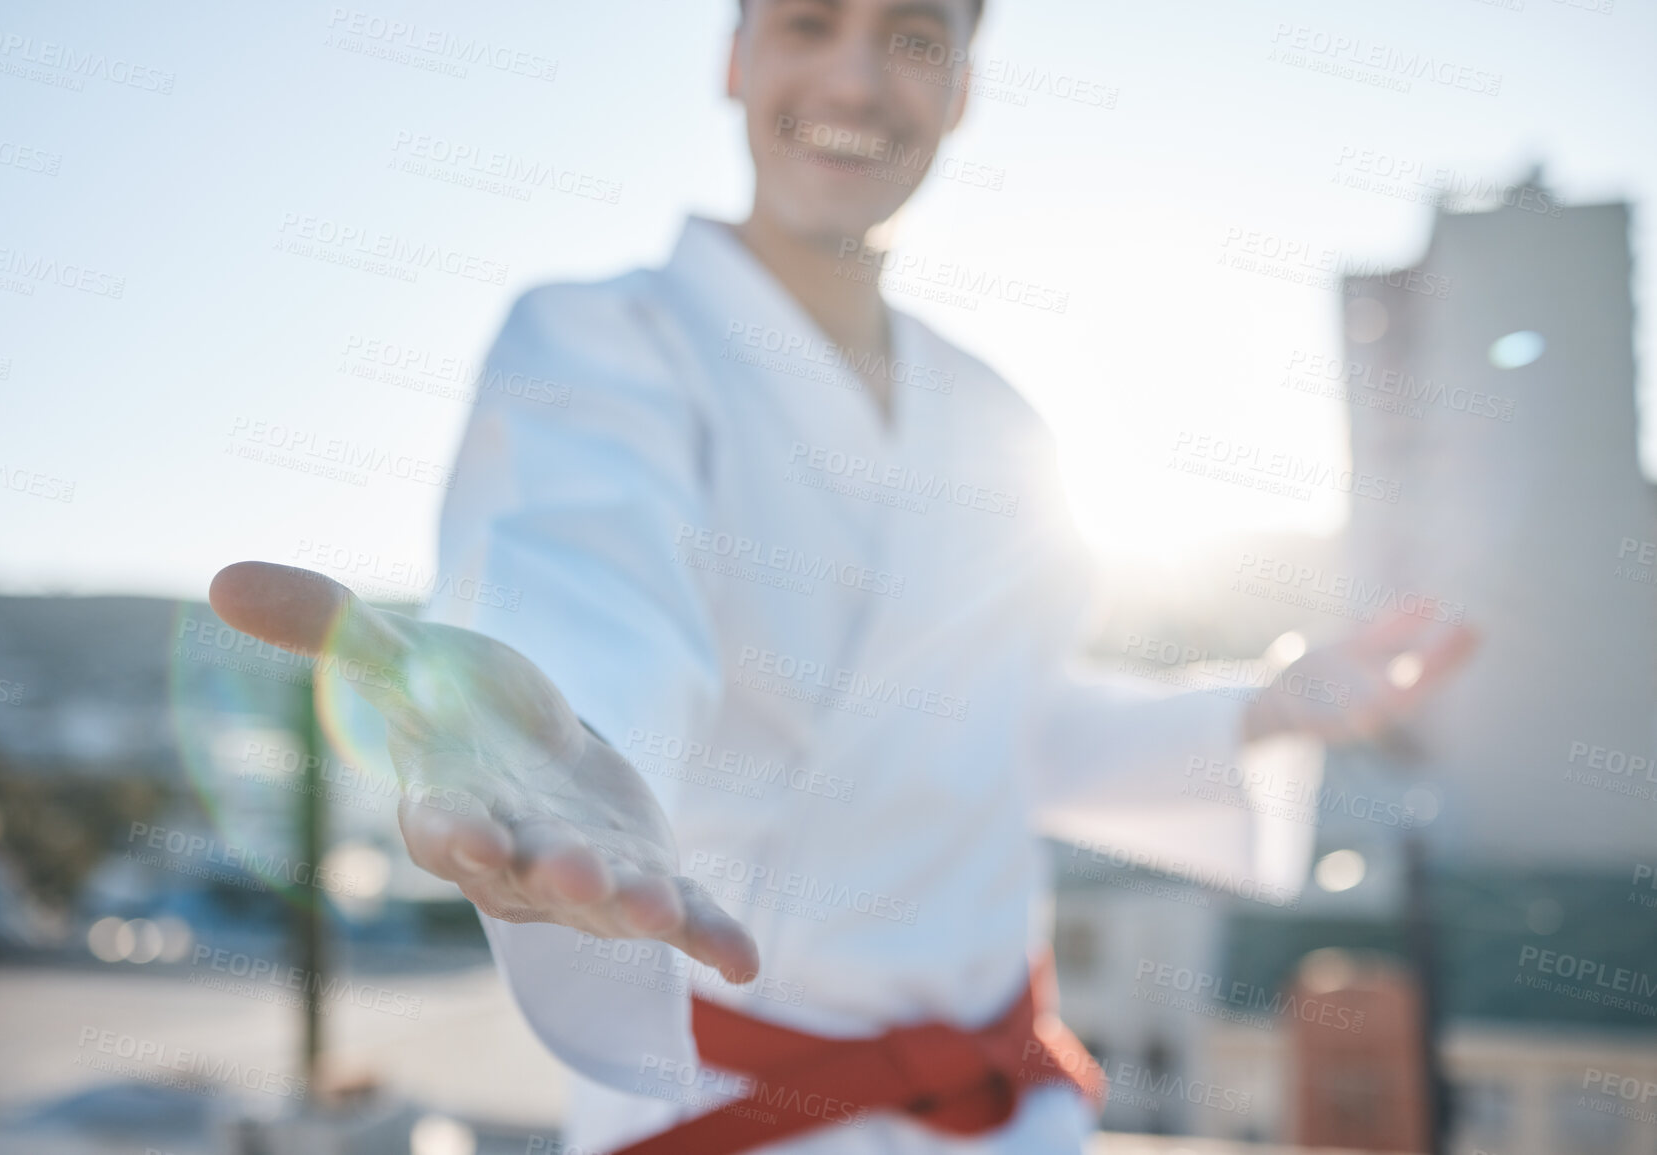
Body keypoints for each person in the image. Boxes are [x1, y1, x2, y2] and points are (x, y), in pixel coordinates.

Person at [209, 0, 1477, 1149]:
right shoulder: (600, 341)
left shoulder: (998, 418)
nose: (860, 80)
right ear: (735, 58)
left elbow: (1007, 723)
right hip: (733, 1115)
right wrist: (561, 738)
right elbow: (587, 573)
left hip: (1016, 1112)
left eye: (915, 35)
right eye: (811, 23)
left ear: (965, 84)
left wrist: (1258, 709)